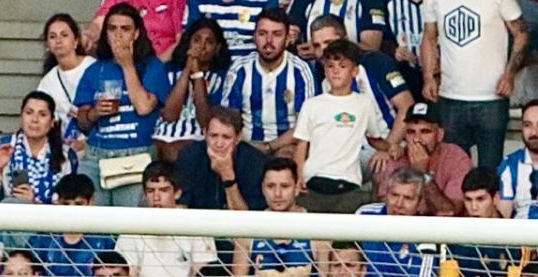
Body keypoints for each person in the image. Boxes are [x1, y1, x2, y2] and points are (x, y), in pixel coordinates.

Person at [73, 2, 172, 207]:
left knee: (130, 222)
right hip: (97, 155)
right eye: (112, 28)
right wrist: (94, 113)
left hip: (135, 155)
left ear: (136, 33)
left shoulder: (152, 66)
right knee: (90, 220)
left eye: (125, 29)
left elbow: (144, 107)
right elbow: (82, 121)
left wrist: (127, 64)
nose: (118, 34)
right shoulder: (94, 69)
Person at [420, 0, 525, 167]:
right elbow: (429, 37)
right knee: (454, 168)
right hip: (450, 96)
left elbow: (521, 33)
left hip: (492, 97)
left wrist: (509, 74)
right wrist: (428, 77)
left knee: (490, 171)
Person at [292, 37, 387, 210]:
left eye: (342, 66)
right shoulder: (312, 104)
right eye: (330, 66)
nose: (335, 71)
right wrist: (299, 177)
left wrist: (391, 147)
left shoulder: (364, 104)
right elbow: (301, 145)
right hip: (314, 180)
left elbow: (374, 138)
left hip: (349, 182)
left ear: (354, 71)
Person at [220, 6, 312, 156]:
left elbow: (304, 125)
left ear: (287, 39)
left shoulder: (300, 71)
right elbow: (229, 119)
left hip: (286, 146)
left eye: (277, 34)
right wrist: (248, 148)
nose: (269, 41)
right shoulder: (240, 69)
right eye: (262, 34)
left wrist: (269, 147)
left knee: (285, 159)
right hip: (247, 145)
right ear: (254, 37)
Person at [0, 91, 78, 205]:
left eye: (42, 115)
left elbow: (71, 204)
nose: (35, 120)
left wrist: (33, 204)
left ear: (52, 121)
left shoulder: (66, 154)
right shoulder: (5, 146)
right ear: (21, 116)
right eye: (29, 113)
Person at [155, 14, 231, 159]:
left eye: (209, 42)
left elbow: (205, 121)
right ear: (188, 43)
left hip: (196, 140)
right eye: (197, 40)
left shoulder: (221, 78)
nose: (202, 46)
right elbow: (169, 116)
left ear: (217, 48)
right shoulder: (169, 72)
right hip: (161, 137)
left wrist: (197, 74)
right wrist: (187, 70)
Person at [172, 103, 267, 208]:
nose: (219, 144)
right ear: (205, 133)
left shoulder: (254, 162)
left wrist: (227, 176)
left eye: (226, 137)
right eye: (213, 136)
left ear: (238, 137)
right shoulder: (189, 156)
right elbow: (182, 206)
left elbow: (247, 216)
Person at [36, 11, 96, 129]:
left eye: (64, 35)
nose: (58, 40)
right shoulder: (47, 82)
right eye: (52, 37)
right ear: (47, 45)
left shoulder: (93, 67)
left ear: (76, 41)